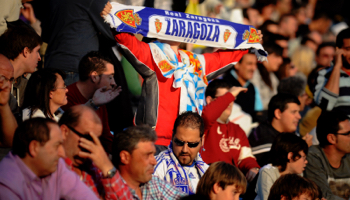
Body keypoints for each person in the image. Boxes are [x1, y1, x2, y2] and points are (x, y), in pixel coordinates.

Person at [101, 2, 263, 150]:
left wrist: (249, 40)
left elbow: (224, 58)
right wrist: (114, 16)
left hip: (188, 144)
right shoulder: (152, 54)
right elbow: (126, 41)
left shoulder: (195, 62)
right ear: (157, 28)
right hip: (154, 141)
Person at [0, 118, 99, 199]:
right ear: (34, 147)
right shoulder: (6, 186)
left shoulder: (56, 166)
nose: (62, 153)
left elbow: (85, 196)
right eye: (56, 146)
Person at [59, 105, 132, 199]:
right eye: (88, 138)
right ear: (64, 132)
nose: (92, 146)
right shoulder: (51, 167)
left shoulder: (93, 168)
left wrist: (107, 167)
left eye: (97, 140)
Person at [61, 51, 121, 154]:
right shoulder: (66, 98)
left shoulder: (100, 97)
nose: (113, 83)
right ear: (94, 76)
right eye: (110, 77)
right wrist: (93, 104)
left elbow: (106, 137)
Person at [201, 80, 260, 182]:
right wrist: (230, 95)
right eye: (224, 98)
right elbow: (208, 115)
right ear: (209, 100)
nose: (229, 102)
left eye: (232, 98)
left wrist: (253, 168)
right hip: (209, 182)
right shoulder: (202, 123)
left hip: (233, 185)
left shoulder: (237, 129)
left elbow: (245, 157)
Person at [112, 125, 185, 199]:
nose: (154, 162)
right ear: (125, 157)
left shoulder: (154, 184)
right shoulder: (108, 191)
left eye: (153, 155)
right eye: (147, 155)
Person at [154, 112, 209, 194]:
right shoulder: (158, 167)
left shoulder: (207, 172)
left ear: (202, 141)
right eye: (179, 142)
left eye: (192, 144)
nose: (184, 150)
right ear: (172, 136)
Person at [304, 111, 350, 200]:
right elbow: (324, 196)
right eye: (348, 134)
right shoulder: (313, 157)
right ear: (331, 138)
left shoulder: (348, 156)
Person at [248, 93, 301, 167]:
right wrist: (300, 150)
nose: (299, 116)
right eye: (293, 112)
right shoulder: (262, 137)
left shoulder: (292, 133)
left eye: (299, 112)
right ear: (278, 113)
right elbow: (273, 167)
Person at [255, 133, 309, 200]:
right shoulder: (267, 173)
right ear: (291, 156)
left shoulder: (299, 174)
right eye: (303, 157)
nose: (306, 161)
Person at [314, 28, 350, 117]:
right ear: (338, 50)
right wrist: (337, 67)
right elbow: (326, 105)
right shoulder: (324, 74)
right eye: (348, 49)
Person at [222, 53, 263, 121]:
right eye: (249, 64)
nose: (254, 68)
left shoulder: (252, 87)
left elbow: (257, 112)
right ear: (237, 64)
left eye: (255, 64)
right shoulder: (224, 84)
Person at [251, 42, 283, 111]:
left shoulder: (272, 77)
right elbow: (257, 103)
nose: (280, 61)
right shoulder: (254, 74)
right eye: (276, 56)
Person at [0, 54, 16, 147]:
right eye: (3, 78)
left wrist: (4, 105)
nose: (8, 86)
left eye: (10, 80)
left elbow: (12, 141)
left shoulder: (8, 99)